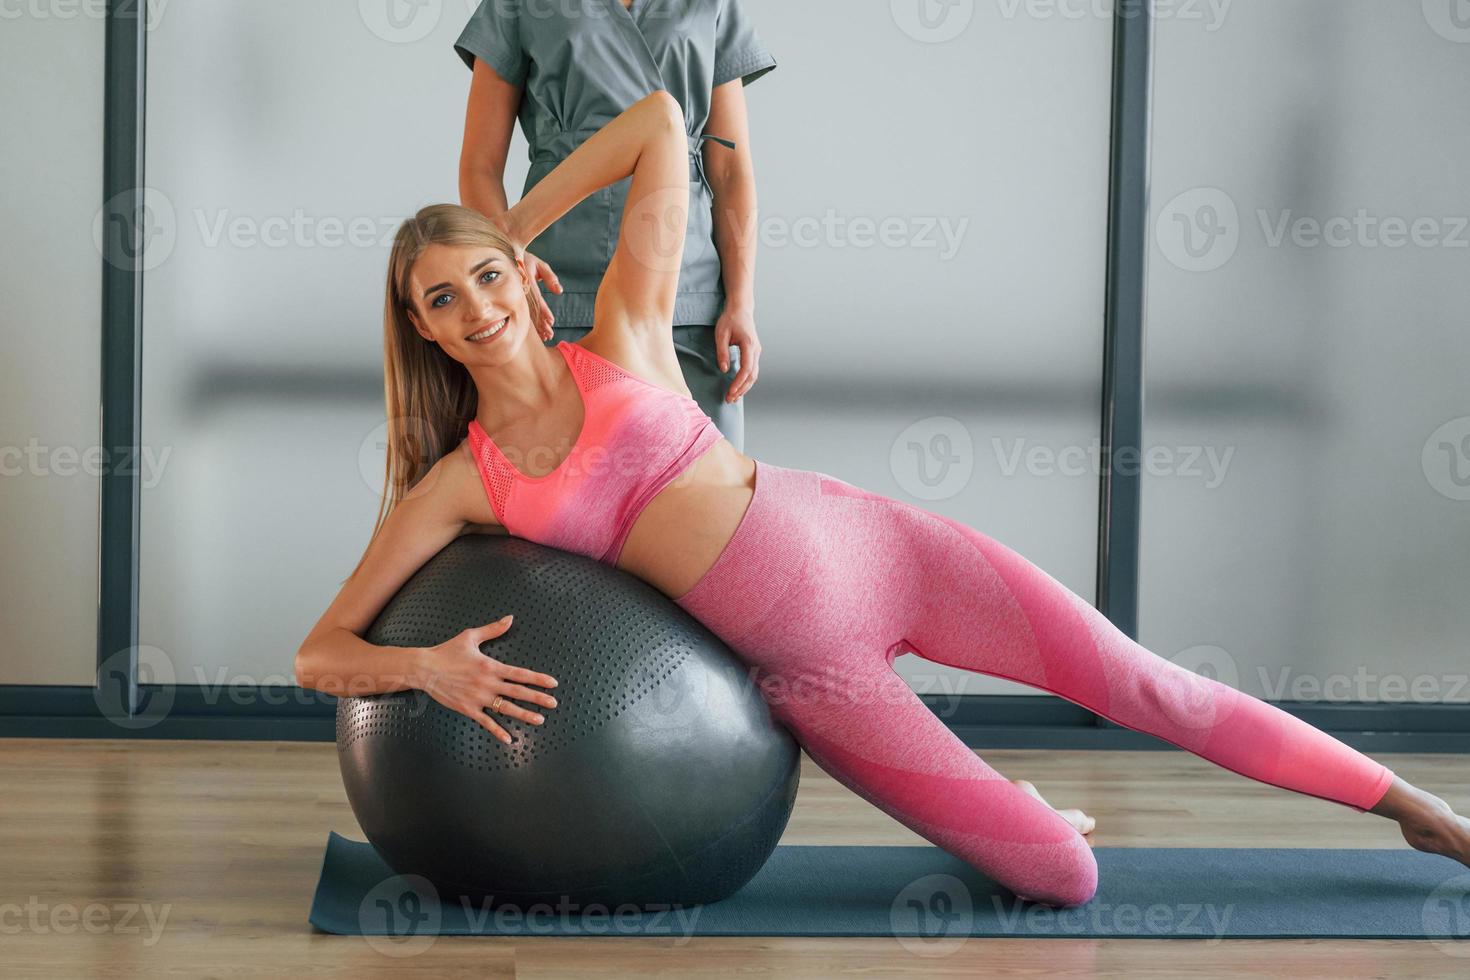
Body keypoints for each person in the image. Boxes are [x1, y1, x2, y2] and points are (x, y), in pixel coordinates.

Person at [295, 92, 1470, 909]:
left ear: (520, 275)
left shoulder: (630, 335)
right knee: (1064, 878)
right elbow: (320, 651)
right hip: (814, 674)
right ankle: (1021, 807)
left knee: (1153, 684)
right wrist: (425, 669)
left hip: (884, 546)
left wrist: (513, 221)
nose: (477, 307)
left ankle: (1408, 799)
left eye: (486, 275)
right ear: (421, 328)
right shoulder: (463, 482)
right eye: (443, 299)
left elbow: (662, 124)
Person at [454, 0, 775, 450]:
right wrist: (508, 261)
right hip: (556, 284)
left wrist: (741, 300)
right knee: (561, 487)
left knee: (709, 491)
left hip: (686, 280)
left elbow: (730, 171)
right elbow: (479, 167)